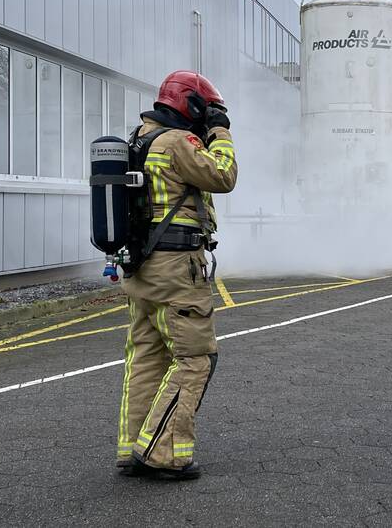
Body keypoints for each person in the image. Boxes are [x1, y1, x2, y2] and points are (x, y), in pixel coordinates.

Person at [116, 70, 238, 479]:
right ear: (193, 107)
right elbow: (223, 176)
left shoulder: (140, 140)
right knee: (194, 358)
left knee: (147, 356)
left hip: (142, 267)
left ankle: (132, 446)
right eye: (207, 112)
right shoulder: (177, 143)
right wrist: (219, 133)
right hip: (175, 270)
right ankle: (161, 453)